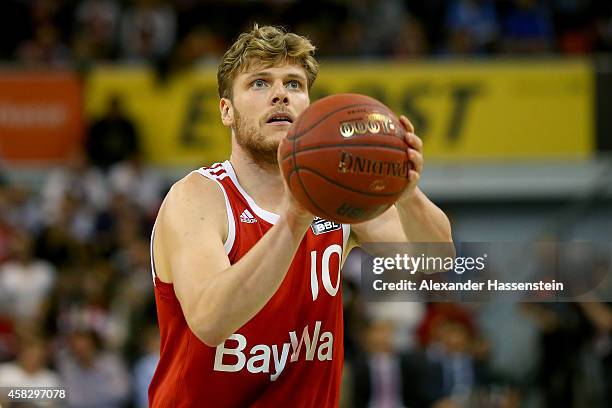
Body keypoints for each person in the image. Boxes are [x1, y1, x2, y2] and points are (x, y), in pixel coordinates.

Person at [148, 24, 452, 407]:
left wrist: (408, 194)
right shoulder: (198, 197)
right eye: (259, 83)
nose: (280, 95)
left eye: (293, 84)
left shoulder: (339, 195)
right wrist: (294, 220)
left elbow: (435, 266)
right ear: (226, 110)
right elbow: (211, 321)